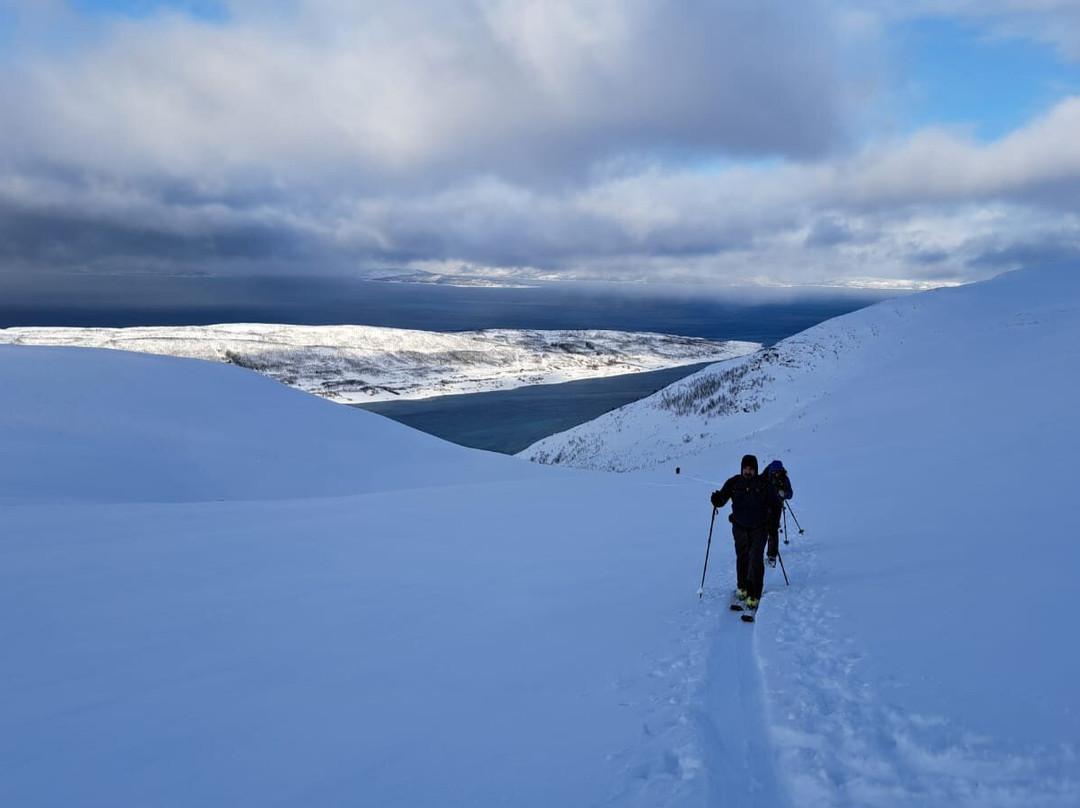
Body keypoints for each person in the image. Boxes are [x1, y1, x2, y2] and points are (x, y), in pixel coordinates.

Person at [709, 454, 780, 609]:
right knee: (742, 558)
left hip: (759, 528)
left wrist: (772, 522)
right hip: (739, 527)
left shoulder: (763, 484)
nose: (748, 472)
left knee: (755, 559)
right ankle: (742, 587)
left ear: (756, 469)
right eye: (745, 469)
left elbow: (775, 504)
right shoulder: (734, 483)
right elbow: (722, 499)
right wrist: (717, 499)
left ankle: (754, 593)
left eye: (751, 469)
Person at [763, 460, 793, 567]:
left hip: (776, 506)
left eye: (779, 472)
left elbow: (790, 494)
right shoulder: (765, 477)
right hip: (764, 506)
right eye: (775, 472)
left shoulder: (784, 479)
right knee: (762, 529)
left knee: (773, 529)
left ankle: (772, 554)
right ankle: (756, 553)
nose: (777, 474)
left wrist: (783, 494)